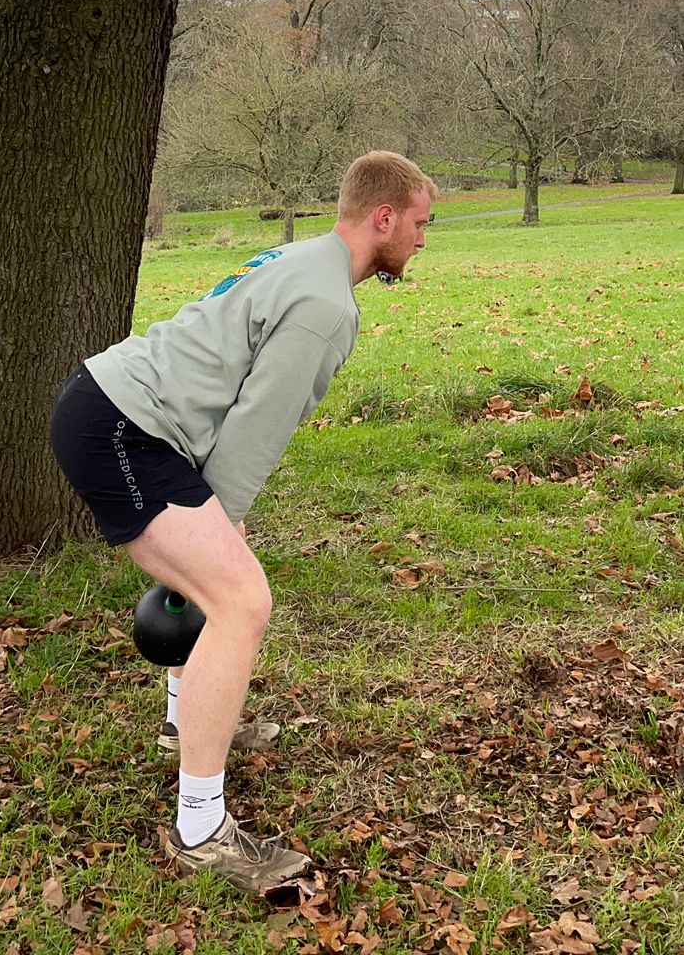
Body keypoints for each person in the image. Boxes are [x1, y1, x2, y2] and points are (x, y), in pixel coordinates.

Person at [50, 151, 435, 892]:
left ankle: (178, 724)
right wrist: (220, 530)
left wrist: (219, 528)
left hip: (110, 405)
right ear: (382, 217)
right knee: (241, 599)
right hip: (123, 430)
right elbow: (257, 428)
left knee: (221, 572)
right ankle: (200, 829)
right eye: (420, 224)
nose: (423, 240)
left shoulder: (303, 259)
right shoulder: (327, 307)